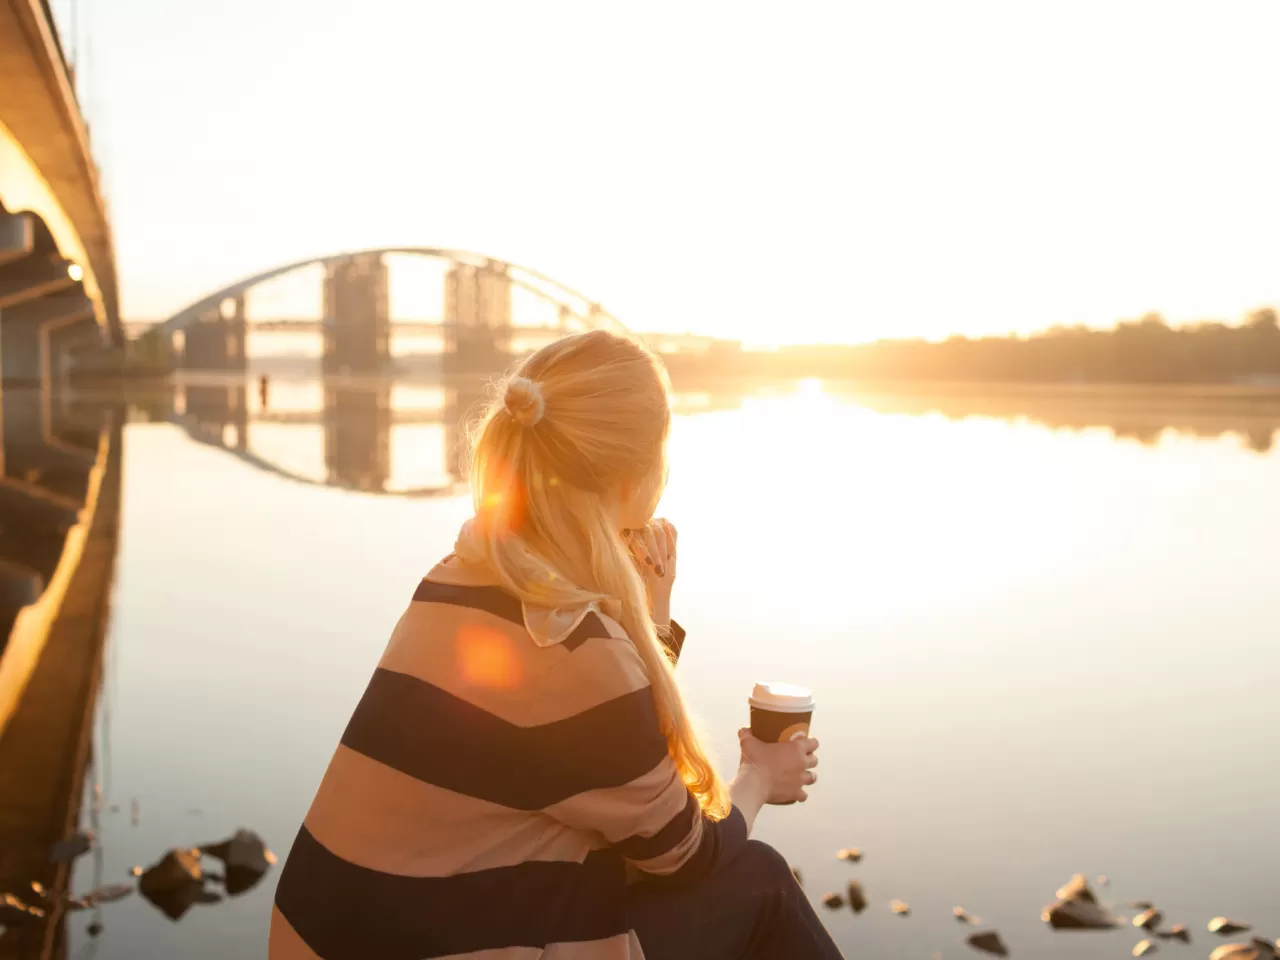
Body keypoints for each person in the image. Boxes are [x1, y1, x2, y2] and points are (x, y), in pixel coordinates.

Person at [269, 330, 840, 959]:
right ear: (632, 476)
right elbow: (682, 855)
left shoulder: (459, 575)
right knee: (760, 881)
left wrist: (647, 619)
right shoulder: (574, 647)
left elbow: (602, 767)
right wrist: (759, 776)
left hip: (328, 942)